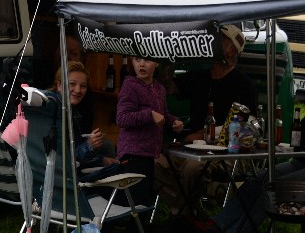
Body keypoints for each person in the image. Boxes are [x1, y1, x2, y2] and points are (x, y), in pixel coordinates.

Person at [155, 24, 258, 217]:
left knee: (193, 168)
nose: (211, 44)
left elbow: (247, 127)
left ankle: (183, 215)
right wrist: (170, 60)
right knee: (154, 162)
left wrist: (201, 135)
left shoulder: (243, 84)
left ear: (231, 51)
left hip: (227, 152)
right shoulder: (199, 78)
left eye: (219, 41)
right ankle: (196, 205)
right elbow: (165, 87)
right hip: (191, 148)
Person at [116, 56, 183, 205]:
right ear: (132, 62)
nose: (141, 64)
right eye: (137, 60)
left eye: (147, 60)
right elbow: (122, 118)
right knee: (136, 202)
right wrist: (150, 115)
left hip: (151, 154)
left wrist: (174, 122)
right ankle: (127, 227)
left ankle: (142, 227)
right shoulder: (130, 85)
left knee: (146, 199)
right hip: (133, 153)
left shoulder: (159, 88)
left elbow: (164, 114)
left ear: (157, 62)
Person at [50, 61, 117, 169]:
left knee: (107, 146)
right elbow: (64, 158)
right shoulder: (53, 111)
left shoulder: (72, 110)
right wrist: (89, 145)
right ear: (59, 85)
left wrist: (102, 160)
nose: (78, 90)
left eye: (83, 86)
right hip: (61, 177)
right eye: (72, 84)